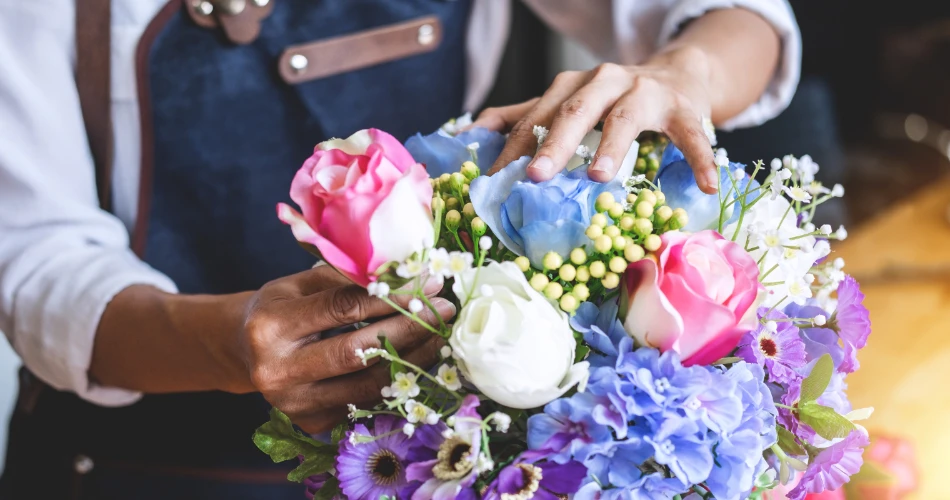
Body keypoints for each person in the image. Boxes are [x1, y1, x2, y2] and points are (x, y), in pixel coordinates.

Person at [0, 0, 799, 498]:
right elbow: (34, 258)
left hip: (430, 465)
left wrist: (684, 71)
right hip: (141, 467)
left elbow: (746, 18)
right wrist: (227, 342)